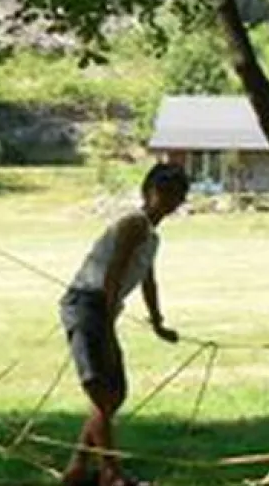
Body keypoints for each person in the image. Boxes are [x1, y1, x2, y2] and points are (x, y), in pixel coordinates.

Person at [60, 163, 188, 486]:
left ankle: (77, 469)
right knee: (104, 393)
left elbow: (148, 281)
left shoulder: (152, 237)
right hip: (87, 306)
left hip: (101, 309)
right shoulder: (134, 223)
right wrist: (106, 323)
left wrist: (158, 323)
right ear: (148, 192)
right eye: (164, 191)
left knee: (114, 395)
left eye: (177, 194)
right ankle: (111, 475)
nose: (170, 199)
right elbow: (114, 271)